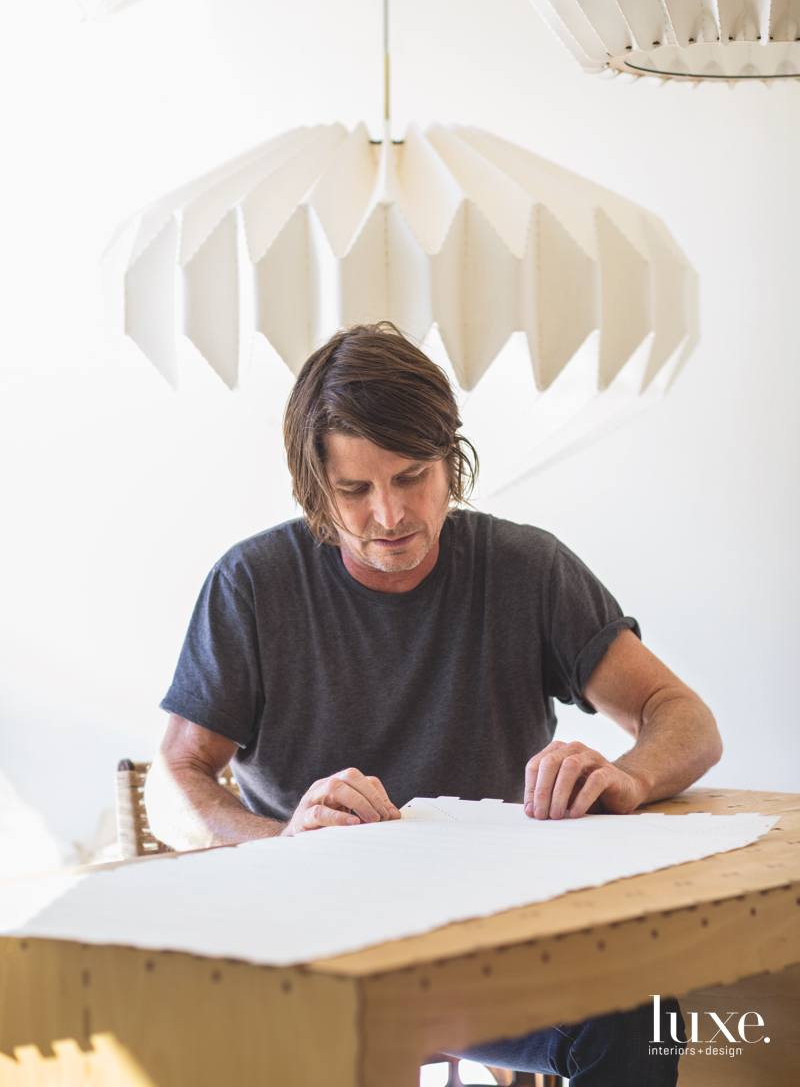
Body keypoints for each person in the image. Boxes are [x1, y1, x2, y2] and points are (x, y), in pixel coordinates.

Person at [146, 321, 720, 1085]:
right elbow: (172, 783)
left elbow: (684, 718)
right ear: (317, 488)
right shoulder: (253, 585)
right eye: (354, 490)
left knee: (640, 1017)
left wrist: (632, 775)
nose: (389, 516)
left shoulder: (527, 570)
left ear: (453, 461)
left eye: (412, 475)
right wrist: (281, 840)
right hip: (314, 953)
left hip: (484, 951)